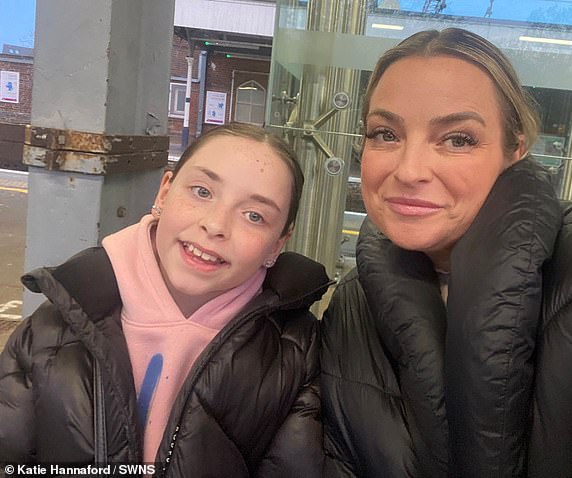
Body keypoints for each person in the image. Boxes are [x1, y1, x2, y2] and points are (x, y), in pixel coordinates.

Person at [321, 28, 572, 477]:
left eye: (458, 139)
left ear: (515, 149)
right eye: (385, 133)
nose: (409, 170)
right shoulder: (353, 301)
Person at [0, 123, 330, 477]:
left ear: (278, 243)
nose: (216, 225)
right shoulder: (57, 325)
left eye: (254, 215)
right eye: (202, 191)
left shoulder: (294, 353)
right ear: (164, 192)